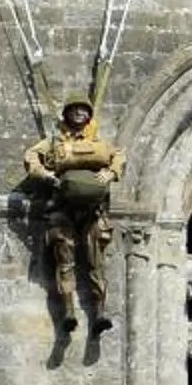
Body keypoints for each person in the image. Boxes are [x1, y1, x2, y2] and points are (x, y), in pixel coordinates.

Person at [23, 95, 125, 330]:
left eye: (83, 109)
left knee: (96, 260)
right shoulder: (54, 141)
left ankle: (100, 311)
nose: (79, 113)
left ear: (89, 115)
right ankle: (69, 310)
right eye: (74, 109)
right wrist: (45, 175)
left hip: (93, 211)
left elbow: (119, 155)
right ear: (66, 114)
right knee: (65, 258)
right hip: (63, 209)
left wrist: (110, 173)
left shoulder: (99, 142)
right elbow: (31, 157)